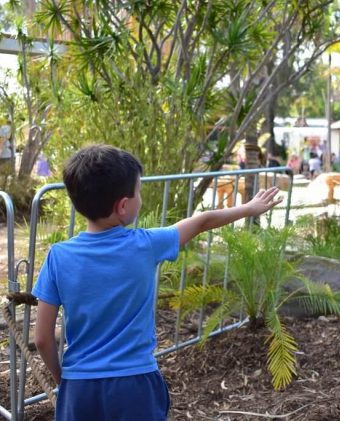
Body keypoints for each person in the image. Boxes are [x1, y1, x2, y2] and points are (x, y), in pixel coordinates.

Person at [32, 145, 282, 421]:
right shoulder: (146, 245)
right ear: (123, 206)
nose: (140, 198)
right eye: (138, 192)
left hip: (79, 388)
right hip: (135, 384)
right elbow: (201, 222)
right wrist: (248, 208)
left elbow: (42, 339)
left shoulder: (58, 257)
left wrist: (64, 381)